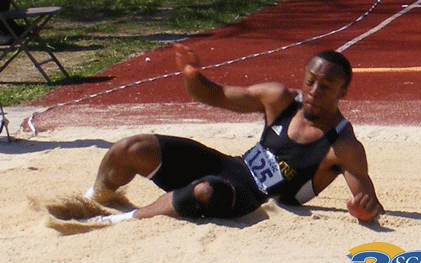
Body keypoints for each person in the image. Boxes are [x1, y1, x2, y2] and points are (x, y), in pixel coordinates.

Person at [84, 43, 384, 225]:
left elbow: (369, 200)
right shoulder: (278, 98)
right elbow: (217, 95)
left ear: (343, 92)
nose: (313, 92)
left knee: (205, 190)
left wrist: (364, 210)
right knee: (133, 147)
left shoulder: (343, 146)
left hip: (254, 198)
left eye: (326, 87)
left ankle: (121, 220)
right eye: (310, 82)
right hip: (232, 167)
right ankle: (95, 198)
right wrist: (191, 75)